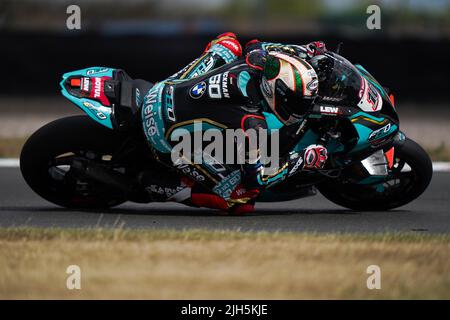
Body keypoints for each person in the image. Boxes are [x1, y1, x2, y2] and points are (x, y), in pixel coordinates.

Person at [139, 32, 328, 214]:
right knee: (240, 197)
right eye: (297, 102)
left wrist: (305, 50)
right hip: (162, 130)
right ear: (275, 91)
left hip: (165, 88)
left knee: (229, 43)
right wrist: (305, 159)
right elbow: (258, 178)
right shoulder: (253, 124)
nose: (302, 108)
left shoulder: (257, 60)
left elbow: (255, 44)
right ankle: (160, 186)